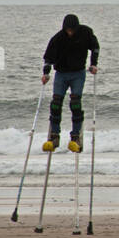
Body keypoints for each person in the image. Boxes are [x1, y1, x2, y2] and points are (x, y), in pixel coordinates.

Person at [41, 14, 100, 152]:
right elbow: (48, 58)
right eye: (68, 30)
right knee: (56, 103)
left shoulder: (86, 33)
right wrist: (46, 73)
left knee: (75, 102)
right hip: (61, 74)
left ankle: (75, 137)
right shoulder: (58, 38)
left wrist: (93, 64)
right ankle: (54, 137)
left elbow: (95, 47)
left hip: (78, 73)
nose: (70, 32)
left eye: (72, 30)